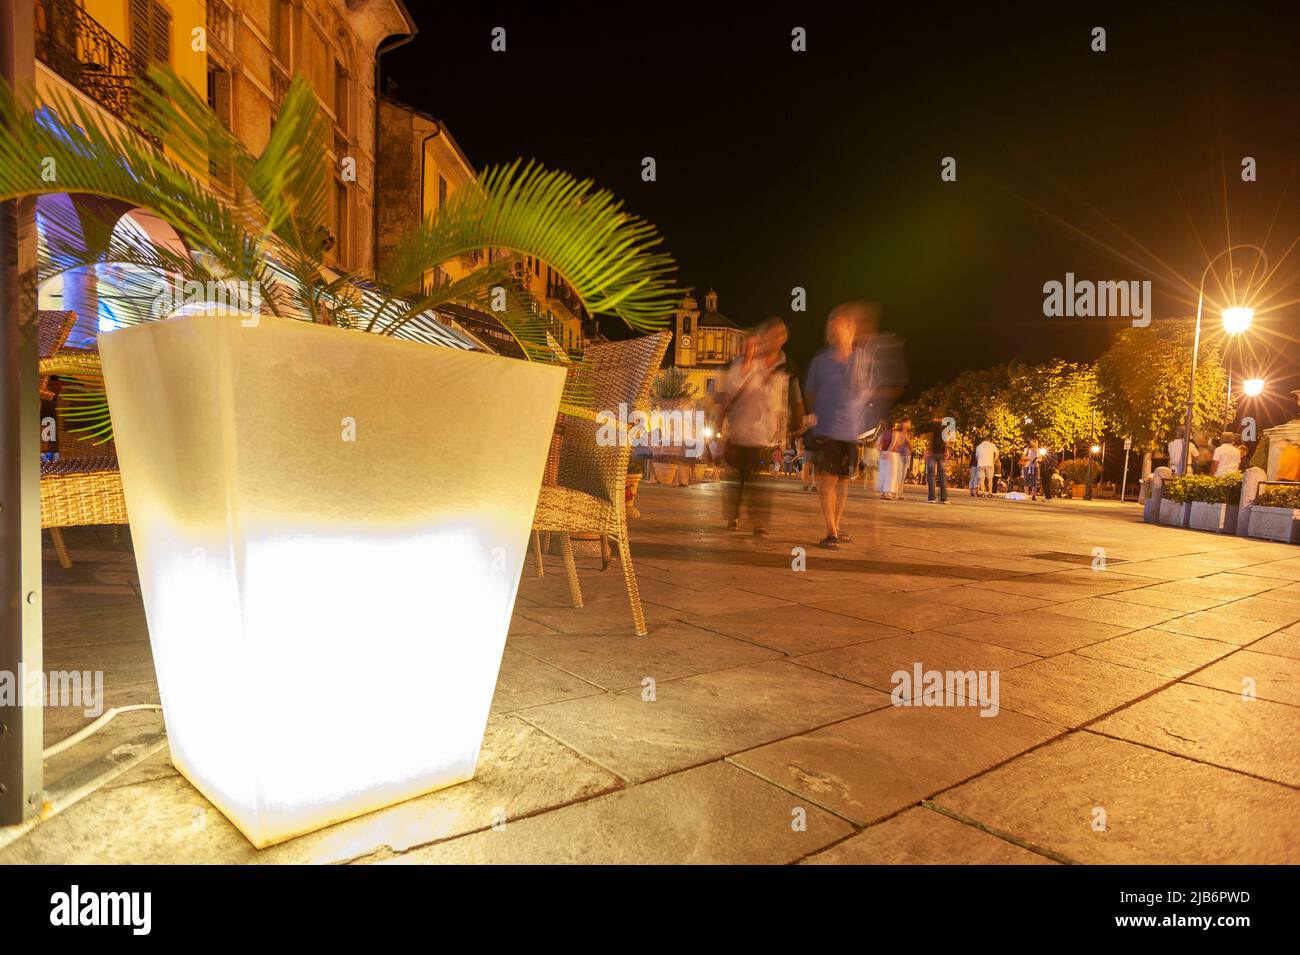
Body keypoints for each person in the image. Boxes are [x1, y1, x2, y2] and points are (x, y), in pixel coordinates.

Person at [718, 319, 802, 537]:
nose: (751, 349)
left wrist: (782, 427)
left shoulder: (772, 367)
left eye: (754, 345)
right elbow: (728, 398)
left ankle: (758, 521)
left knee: (759, 480)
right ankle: (733, 516)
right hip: (739, 432)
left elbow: (777, 400)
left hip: (761, 434)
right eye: (748, 345)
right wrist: (719, 423)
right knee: (738, 478)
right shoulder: (739, 367)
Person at [804, 305, 877, 546]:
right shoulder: (821, 360)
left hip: (851, 429)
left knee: (844, 480)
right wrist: (816, 414)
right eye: (833, 326)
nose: (837, 331)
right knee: (829, 479)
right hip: (828, 429)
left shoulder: (860, 359)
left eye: (842, 326)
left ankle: (836, 524)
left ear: (850, 331)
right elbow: (810, 391)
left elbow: (867, 389)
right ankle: (830, 531)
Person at [919, 413, 950, 503]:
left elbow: (924, 437)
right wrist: (947, 450)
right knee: (942, 476)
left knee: (931, 476)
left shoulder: (931, 425)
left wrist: (926, 449)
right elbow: (946, 440)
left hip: (932, 453)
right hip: (942, 453)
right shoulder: (945, 425)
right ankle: (944, 498)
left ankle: (932, 498)